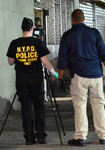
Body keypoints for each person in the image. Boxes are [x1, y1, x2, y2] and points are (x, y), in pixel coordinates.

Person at [57, 9, 105, 146]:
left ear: (72, 20)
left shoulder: (67, 35)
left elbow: (63, 59)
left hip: (78, 76)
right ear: (84, 19)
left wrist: (60, 78)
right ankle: (103, 136)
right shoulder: (94, 33)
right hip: (96, 75)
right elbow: (104, 54)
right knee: (99, 105)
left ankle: (81, 137)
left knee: (79, 105)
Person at [6, 17, 58, 145]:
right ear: (32, 28)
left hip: (21, 78)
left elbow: (10, 62)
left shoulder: (14, 43)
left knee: (26, 107)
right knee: (39, 106)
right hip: (36, 78)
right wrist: (55, 74)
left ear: (21, 28)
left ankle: (29, 138)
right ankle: (41, 136)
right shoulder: (38, 43)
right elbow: (45, 62)